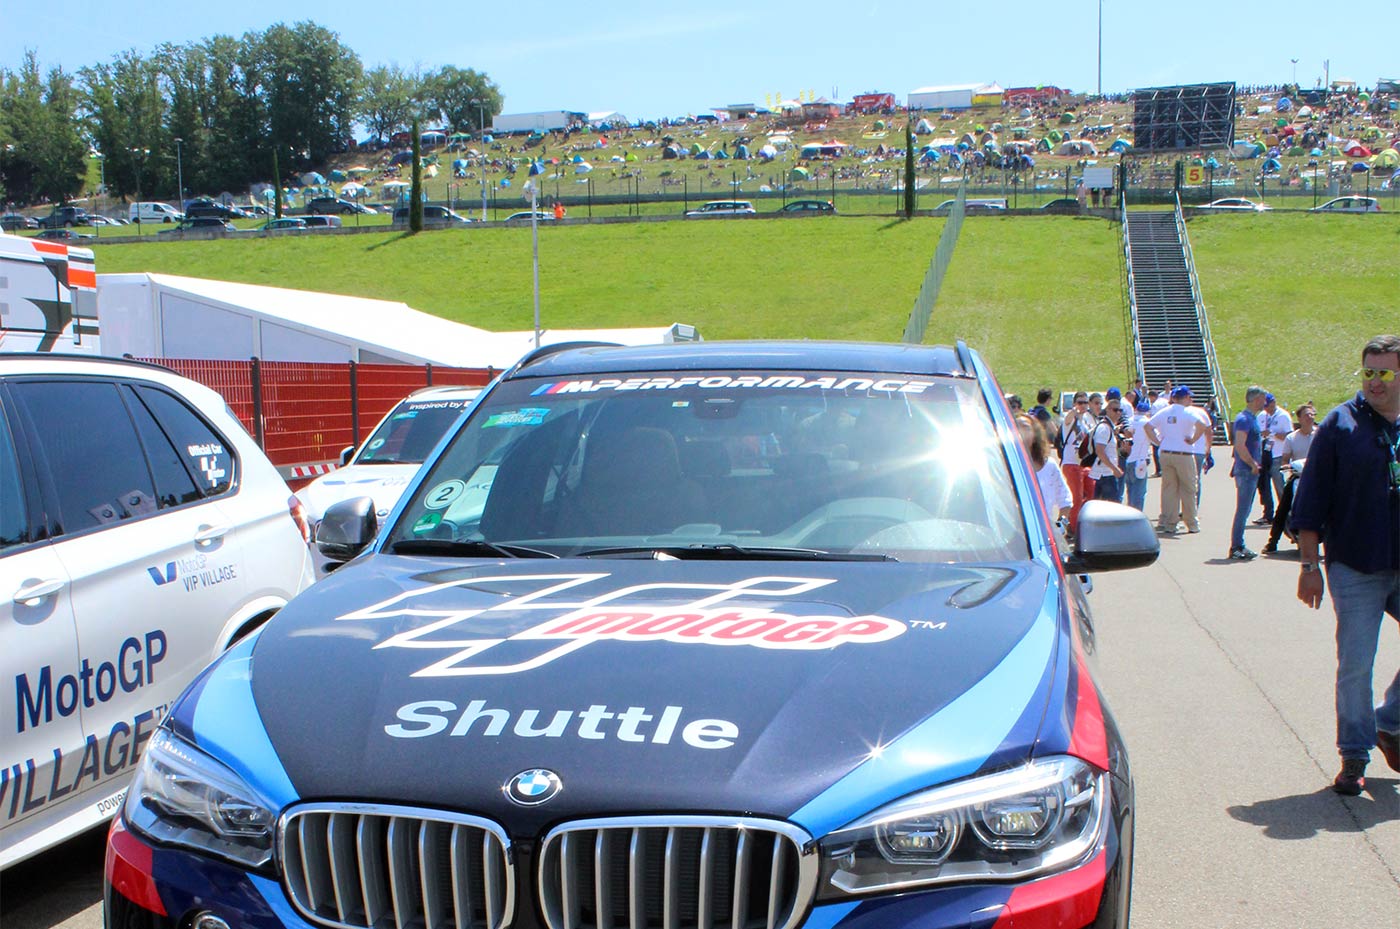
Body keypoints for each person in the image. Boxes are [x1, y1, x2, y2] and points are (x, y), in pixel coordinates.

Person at [1291, 335, 1400, 795]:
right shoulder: (1340, 424)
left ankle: (1389, 721)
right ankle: (1354, 754)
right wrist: (1309, 566)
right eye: (1369, 372)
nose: (1375, 381)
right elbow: (1311, 498)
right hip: (1356, 566)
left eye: (1385, 372)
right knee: (1356, 664)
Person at [1145, 385, 1210, 535]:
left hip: (1166, 452)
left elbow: (1148, 426)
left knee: (1169, 489)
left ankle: (1170, 522)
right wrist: (1193, 439)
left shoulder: (1165, 411)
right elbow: (1202, 426)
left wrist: (1157, 442)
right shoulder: (1188, 412)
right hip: (1184, 453)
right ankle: (1191, 522)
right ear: (1186, 398)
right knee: (1188, 489)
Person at [1263, 403, 1316, 555]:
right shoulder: (1292, 438)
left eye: (1312, 414)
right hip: (1298, 476)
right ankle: (1272, 542)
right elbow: (1285, 459)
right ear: (1299, 419)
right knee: (1283, 507)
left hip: (1317, 478)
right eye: (1306, 415)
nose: (1310, 417)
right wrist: (1287, 466)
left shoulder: (1320, 435)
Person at [1228, 386, 1269, 560]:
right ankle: (1236, 546)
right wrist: (1252, 464)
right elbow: (1239, 445)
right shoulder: (1244, 419)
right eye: (1262, 398)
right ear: (1255, 399)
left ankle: (1239, 544)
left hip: (1249, 470)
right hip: (1246, 470)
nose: (1264, 402)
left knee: (1246, 509)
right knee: (1243, 509)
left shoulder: (1251, 418)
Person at [1017, 413, 1072, 525]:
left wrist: (1061, 526)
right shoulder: (1004, 468)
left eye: (1026, 427)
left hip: (1043, 531)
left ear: (1035, 435)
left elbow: (1065, 499)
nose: (1021, 432)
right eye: (1016, 427)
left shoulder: (1049, 466)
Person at [1060, 390, 1097, 536]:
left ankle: (1079, 523)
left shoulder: (1087, 419)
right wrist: (1074, 411)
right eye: (1080, 402)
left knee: (1090, 494)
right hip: (1071, 463)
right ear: (1075, 403)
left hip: (1084, 463)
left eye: (1085, 403)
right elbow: (1068, 419)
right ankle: (1073, 530)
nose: (1083, 405)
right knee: (1076, 497)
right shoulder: (1070, 418)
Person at [1253, 394, 1291, 525]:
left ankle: (1285, 514)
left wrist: (1272, 434)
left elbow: (1288, 436)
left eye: (1268, 406)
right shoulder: (1262, 416)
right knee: (1264, 486)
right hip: (1264, 454)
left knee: (1279, 486)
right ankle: (1267, 514)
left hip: (1277, 455)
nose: (1266, 409)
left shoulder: (1283, 416)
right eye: (1264, 407)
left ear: (1273, 403)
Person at [1090, 395, 1126, 502]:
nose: (1118, 413)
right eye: (1115, 410)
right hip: (1104, 475)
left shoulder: (1110, 427)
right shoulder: (1104, 428)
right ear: (1108, 410)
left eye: (1120, 410)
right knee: (1112, 506)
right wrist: (1115, 469)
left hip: (1107, 473)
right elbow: (1100, 451)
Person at [1123, 399, 1153, 510]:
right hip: (1140, 460)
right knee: (1139, 492)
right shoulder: (1146, 423)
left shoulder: (1129, 421)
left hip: (1127, 459)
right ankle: (1137, 514)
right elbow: (1155, 438)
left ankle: (1130, 512)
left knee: (1130, 490)